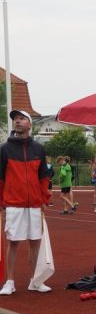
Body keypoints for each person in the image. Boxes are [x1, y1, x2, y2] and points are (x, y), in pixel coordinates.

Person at [0, 110, 53, 294]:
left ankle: (35, 281)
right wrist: (2, 202)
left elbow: (44, 177)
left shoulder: (38, 149)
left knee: (35, 241)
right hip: (13, 203)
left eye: (21, 118)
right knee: (13, 242)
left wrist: (44, 198)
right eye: (15, 119)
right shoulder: (4, 149)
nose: (17, 121)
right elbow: (0, 178)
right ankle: (9, 282)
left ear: (30, 124)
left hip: (35, 204)